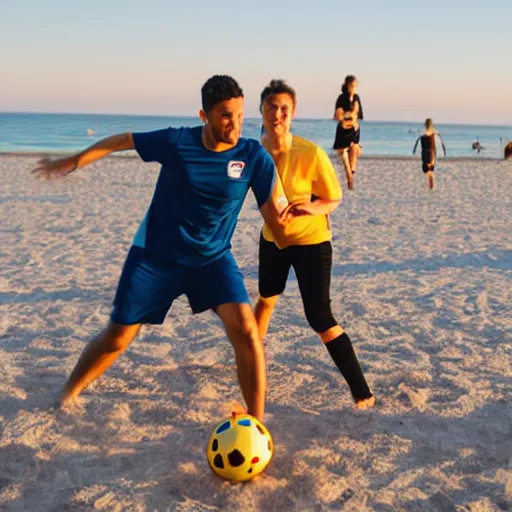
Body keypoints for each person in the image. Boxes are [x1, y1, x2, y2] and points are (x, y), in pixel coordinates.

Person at [32, 75, 291, 421]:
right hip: (156, 258)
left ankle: (257, 424)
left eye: (241, 116)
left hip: (212, 260)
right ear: (204, 115)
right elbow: (124, 140)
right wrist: (74, 160)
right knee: (118, 338)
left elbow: (276, 219)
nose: (235, 124)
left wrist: (304, 215)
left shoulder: (252, 156)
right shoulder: (177, 142)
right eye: (226, 116)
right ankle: (69, 393)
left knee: (246, 330)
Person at [254, 79, 375, 409]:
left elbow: (333, 198)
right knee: (265, 300)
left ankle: (361, 389)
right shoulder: (253, 153)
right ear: (261, 111)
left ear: (292, 114)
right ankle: (250, 356)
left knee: (319, 316)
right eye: (272, 107)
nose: (278, 114)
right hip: (272, 241)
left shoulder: (309, 153)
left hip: (312, 242)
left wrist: (311, 207)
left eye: (285, 109)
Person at [333, 75, 364, 190]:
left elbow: (359, 115)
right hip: (343, 131)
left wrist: (353, 117)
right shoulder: (341, 98)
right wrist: (348, 116)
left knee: (354, 149)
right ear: (347, 85)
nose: (353, 88)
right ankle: (349, 180)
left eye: (355, 86)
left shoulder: (356, 97)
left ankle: (352, 171)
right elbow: (337, 116)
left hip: (354, 130)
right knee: (345, 161)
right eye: (352, 85)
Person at [413, 118, 447, 190]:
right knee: (431, 172)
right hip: (430, 154)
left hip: (424, 154)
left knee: (429, 172)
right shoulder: (434, 133)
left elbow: (419, 145)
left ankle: (430, 187)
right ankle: (431, 187)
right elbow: (438, 145)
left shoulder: (423, 134)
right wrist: (442, 153)